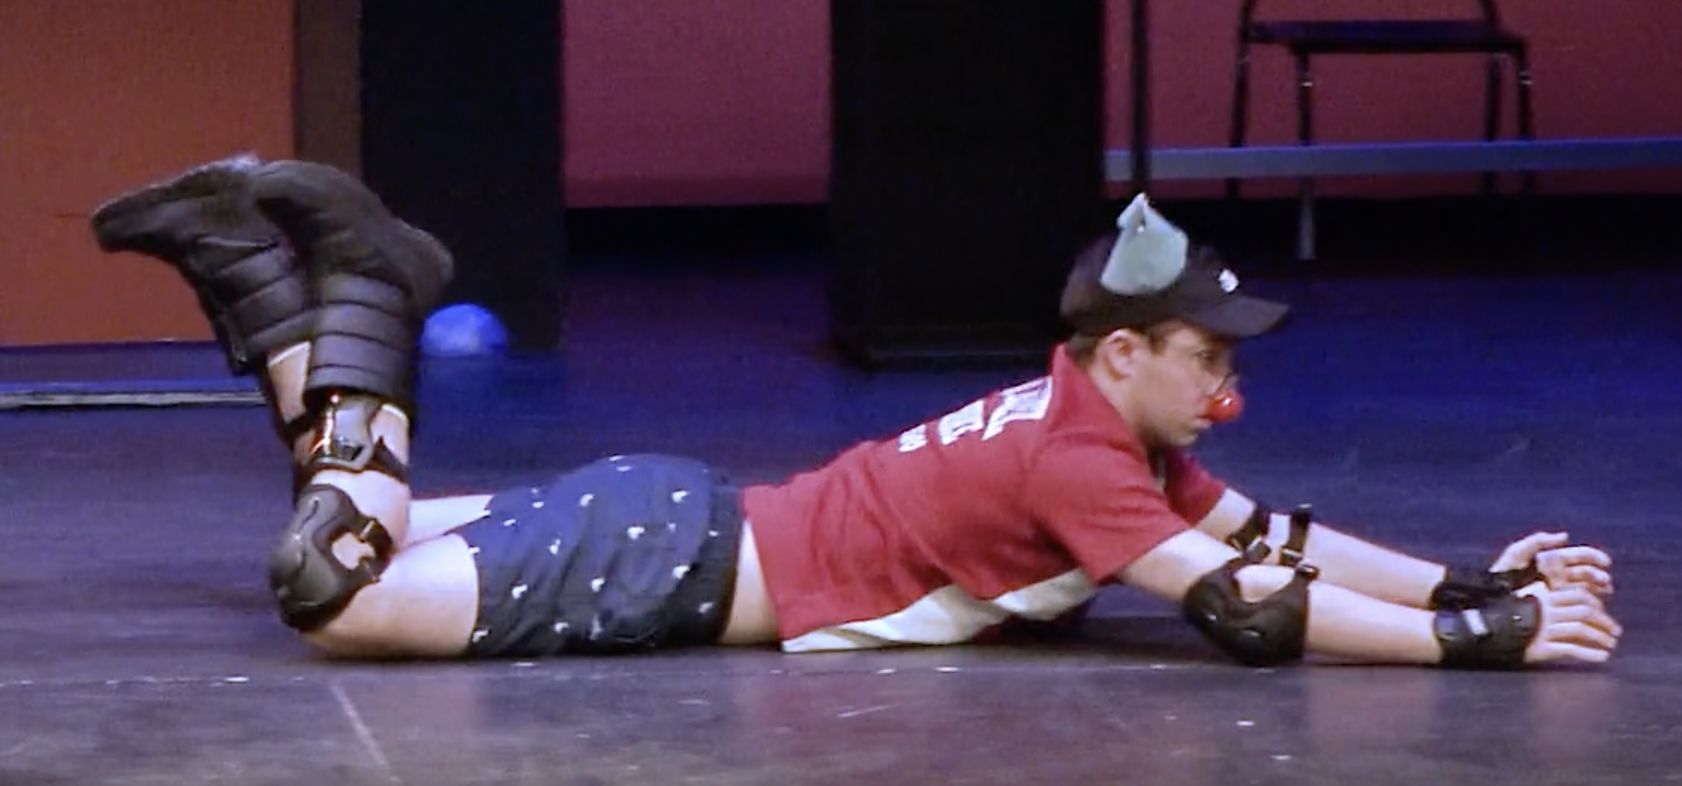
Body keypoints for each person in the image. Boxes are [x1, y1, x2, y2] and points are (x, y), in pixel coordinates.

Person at [88, 156, 1621, 668]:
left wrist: (1463, 577)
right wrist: (1471, 641)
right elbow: (1243, 603)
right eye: (1202, 350)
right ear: (1120, 349)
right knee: (334, 596)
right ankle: (364, 294)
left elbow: (1272, 536)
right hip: (665, 559)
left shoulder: (1105, 431)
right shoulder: (1079, 461)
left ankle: (265, 290)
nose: (1226, 379)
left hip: (672, 519)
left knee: (349, 529)